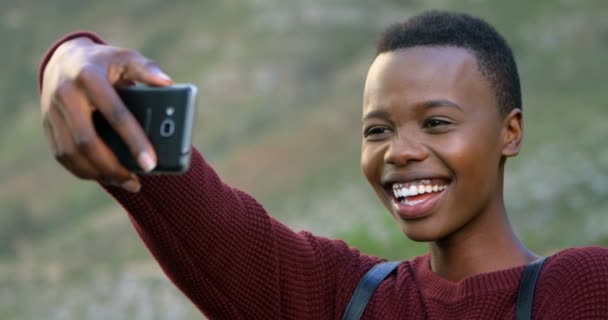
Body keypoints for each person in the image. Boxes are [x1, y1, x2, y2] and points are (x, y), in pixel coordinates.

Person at [38, 10, 608, 319]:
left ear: (510, 133)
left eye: (436, 122)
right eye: (377, 130)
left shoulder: (583, 290)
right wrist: (71, 62)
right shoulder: (342, 297)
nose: (400, 151)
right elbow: (206, 223)